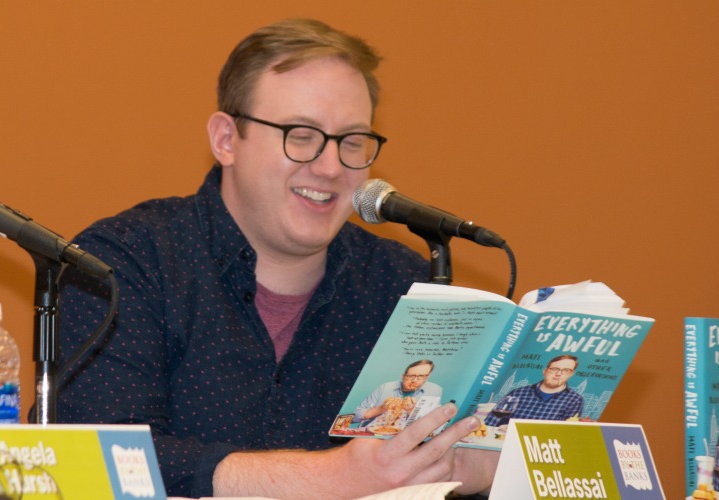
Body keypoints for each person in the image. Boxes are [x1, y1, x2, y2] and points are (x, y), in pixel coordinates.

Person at [56, 18, 498, 499]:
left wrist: (472, 472)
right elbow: (100, 459)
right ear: (226, 140)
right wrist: (335, 477)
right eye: (301, 135)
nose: (330, 167)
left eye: (352, 142)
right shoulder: (123, 262)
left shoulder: (405, 286)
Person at [483, 355, 584, 427]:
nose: (558, 374)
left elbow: (565, 432)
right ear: (545, 371)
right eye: (554, 369)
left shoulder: (575, 400)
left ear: (571, 374)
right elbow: (491, 421)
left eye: (566, 370)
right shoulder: (518, 393)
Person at [354, 360, 443, 426]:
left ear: (428, 376)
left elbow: (431, 423)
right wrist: (381, 408)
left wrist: (411, 411)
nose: (414, 380)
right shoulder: (385, 387)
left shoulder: (434, 390)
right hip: (374, 434)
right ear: (403, 376)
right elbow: (354, 417)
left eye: (421, 376)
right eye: (410, 376)